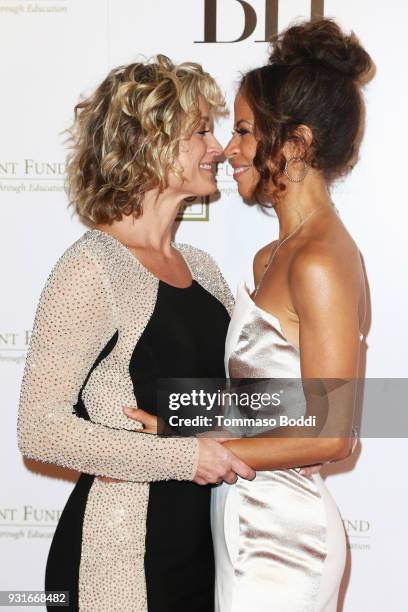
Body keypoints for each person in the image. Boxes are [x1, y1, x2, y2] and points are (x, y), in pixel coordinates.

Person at [16, 55, 255, 612]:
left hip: (201, 552)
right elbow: (39, 430)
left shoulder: (204, 269)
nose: (217, 148)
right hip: (116, 560)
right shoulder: (92, 267)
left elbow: (223, 407)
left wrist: (314, 421)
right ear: (147, 140)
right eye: (199, 131)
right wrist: (185, 458)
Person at [209, 18, 373, 612]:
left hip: (284, 543)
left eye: (246, 132)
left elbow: (332, 433)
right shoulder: (273, 256)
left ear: (296, 144)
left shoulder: (323, 260)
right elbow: (271, 402)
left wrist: (209, 455)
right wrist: (174, 422)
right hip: (246, 520)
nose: (230, 149)